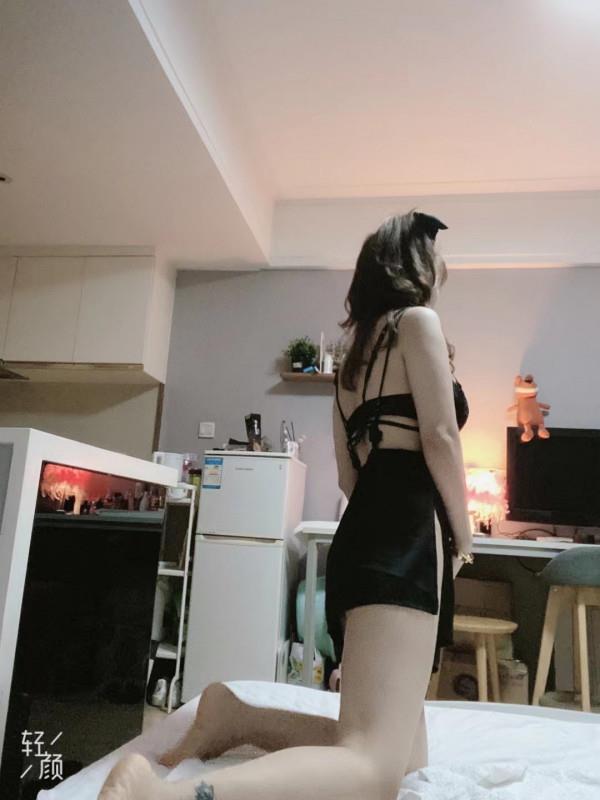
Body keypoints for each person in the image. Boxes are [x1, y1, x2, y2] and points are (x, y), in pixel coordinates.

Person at [98, 210, 473, 800]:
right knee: (376, 771)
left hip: (363, 531)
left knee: (402, 756)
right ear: (417, 268)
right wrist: (464, 534)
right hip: (405, 534)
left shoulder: (351, 362)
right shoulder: (418, 322)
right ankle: (164, 795)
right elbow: (441, 438)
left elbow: (349, 475)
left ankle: (238, 718)